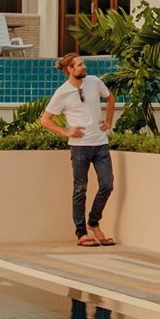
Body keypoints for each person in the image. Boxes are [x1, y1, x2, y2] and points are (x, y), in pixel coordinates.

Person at [42, 52, 117, 246]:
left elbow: (110, 98)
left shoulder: (94, 81)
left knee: (107, 184)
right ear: (70, 69)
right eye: (80, 65)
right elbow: (45, 120)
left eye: (83, 64)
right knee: (80, 189)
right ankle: (81, 233)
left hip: (100, 143)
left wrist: (108, 121)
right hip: (79, 148)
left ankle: (93, 221)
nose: (84, 67)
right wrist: (66, 132)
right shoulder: (62, 92)